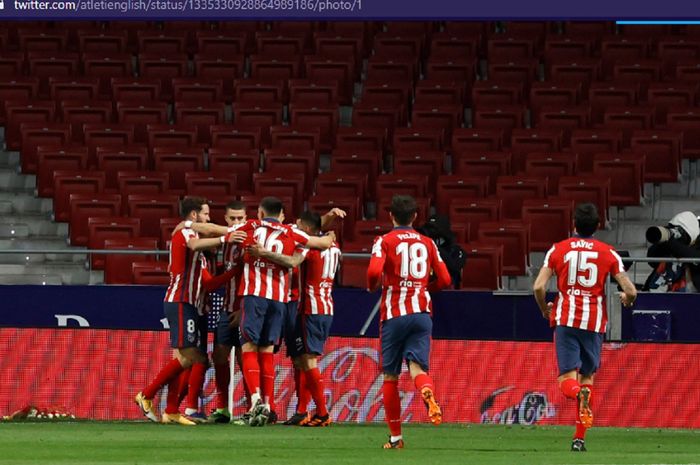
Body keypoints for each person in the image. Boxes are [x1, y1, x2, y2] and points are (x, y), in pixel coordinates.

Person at [186, 197, 336, 426]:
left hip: (254, 296)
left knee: (249, 347)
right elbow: (320, 242)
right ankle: (265, 404)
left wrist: (187, 225)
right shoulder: (291, 232)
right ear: (282, 214)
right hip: (279, 299)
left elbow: (215, 229)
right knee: (266, 350)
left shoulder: (251, 228)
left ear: (259, 213)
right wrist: (330, 236)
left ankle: (256, 400)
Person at [533, 203, 637, 452]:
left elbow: (538, 287)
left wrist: (544, 309)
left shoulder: (558, 249)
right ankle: (579, 440)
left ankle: (577, 394)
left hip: (566, 320)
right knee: (588, 377)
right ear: (597, 226)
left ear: (573, 224)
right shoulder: (609, 252)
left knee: (566, 379)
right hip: (593, 323)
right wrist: (627, 299)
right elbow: (631, 290)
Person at [134, 196, 243, 425]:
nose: (207, 218)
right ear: (194, 215)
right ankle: (147, 394)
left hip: (190, 304)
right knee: (192, 356)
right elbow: (196, 246)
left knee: (191, 357)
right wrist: (227, 238)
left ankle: (172, 409)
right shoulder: (185, 233)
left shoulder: (192, 235)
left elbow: (209, 233)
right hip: (181, 301)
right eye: (204, 214)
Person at [367, 195, 452, 449]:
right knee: (418, 369)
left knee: (391, 377)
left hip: (394, 315)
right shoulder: (427, 243)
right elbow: (446, 280)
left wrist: (373, 287)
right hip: (422, 313)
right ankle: (426, 389)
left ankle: (395, 438)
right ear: (415, 217)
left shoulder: (384, 241)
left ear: (391, 216)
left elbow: (373, 272)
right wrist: (426, 287)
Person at [247, 211, 342, 427]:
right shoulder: (333, 246)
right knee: (301, 360)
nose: (294, 227)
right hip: (325, 307)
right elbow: (318, 228)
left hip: (310, 308)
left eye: (298, 225)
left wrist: (264, 253)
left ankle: (322, 413)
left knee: (307, 360)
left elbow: (291, 261)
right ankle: (303, 411)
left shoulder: (309, 246)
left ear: (306, 230)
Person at [209, 201, 250, 424]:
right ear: (225, 219)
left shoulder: (249, 242)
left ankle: (251, 407)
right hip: (226, 308)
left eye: (240, 219)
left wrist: (243, 308)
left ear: (246, 218)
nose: (237, 223)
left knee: (246, 360)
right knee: (220, 356)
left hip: (246, 309)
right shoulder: (222, 243)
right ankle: (223, 407)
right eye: (232, 219)